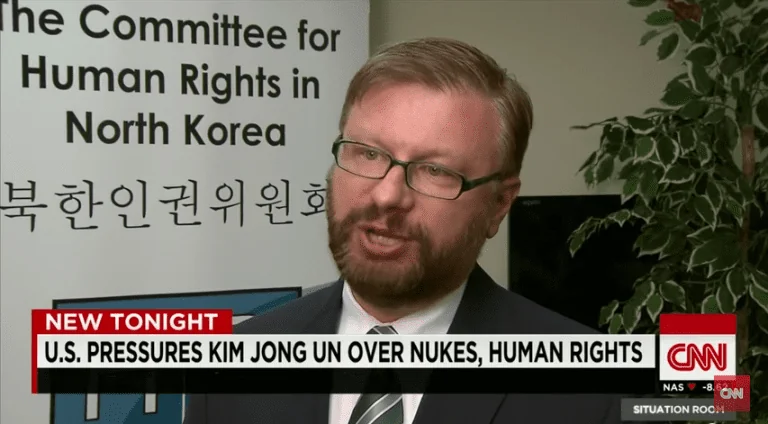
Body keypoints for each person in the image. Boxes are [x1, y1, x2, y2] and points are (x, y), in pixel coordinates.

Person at [184, 37, 622, 424]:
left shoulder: (592, 392)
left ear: (499, 204)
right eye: (368, 154)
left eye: (436, 170)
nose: (387, 195)